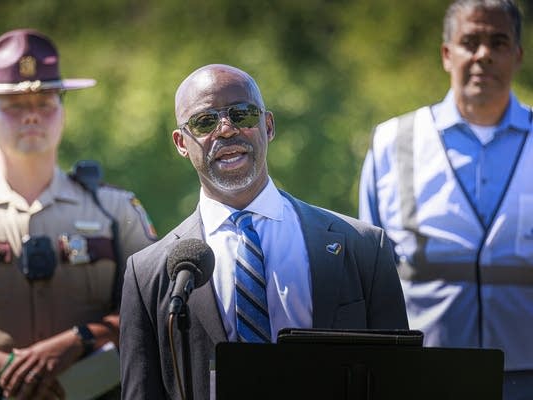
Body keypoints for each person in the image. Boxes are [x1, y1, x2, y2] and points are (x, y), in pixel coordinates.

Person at [119, 63, 408, 400]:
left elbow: (397, 381)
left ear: (268, 126)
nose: (226, 130)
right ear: (182, 142)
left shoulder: (364, 246)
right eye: (204, 121)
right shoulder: (147, 274)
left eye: (241, 114)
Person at [0, 29, 157, 399]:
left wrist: (79, 341)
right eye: (15, 105)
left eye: (45, 103)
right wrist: (9, 368)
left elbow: (152, 313)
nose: (32, 116)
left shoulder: (116, 210)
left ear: (63, 114)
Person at [358, 1, 532, 398]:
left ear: (517, 56)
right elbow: (369, 273)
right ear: (447, 54)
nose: (483, 54)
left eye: (498, 42)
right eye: (470, 42)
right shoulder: (393, 143)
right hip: (422, 375)